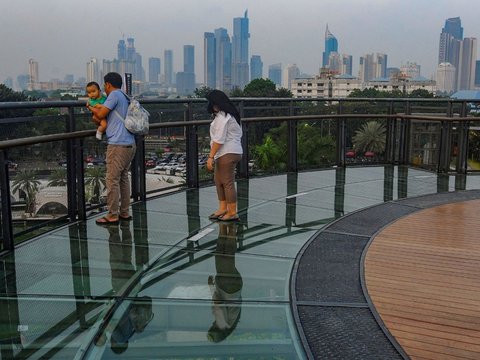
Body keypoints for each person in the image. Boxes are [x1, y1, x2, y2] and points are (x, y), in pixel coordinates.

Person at [88, 72, 136, 225]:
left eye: (104, 85)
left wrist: (90, 106)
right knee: (123, 178)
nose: (104, 88)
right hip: (130, 143)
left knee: (112, 180)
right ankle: (124, 212)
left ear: (108, 84)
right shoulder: (124, 95)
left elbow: (101, 113)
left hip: (118, 145)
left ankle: (112, 215)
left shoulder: (114, 95)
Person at [205, 90, 243, 222]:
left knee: (227, 183)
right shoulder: (226, 115)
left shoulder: (224, 117)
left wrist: (210, 157)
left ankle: (232, 212)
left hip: (228, 152)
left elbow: (219, 139)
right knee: (218, 181)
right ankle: (223, 208)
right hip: (225, 152)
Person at [207, 222, 243, 342]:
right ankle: (231, 228)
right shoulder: (222, 325)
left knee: (221, 256)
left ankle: (224, 228)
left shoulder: (229, 325)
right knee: (226, 256)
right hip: (228, 288)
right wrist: (211, 287)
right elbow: (218, 304)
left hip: (233, 289)